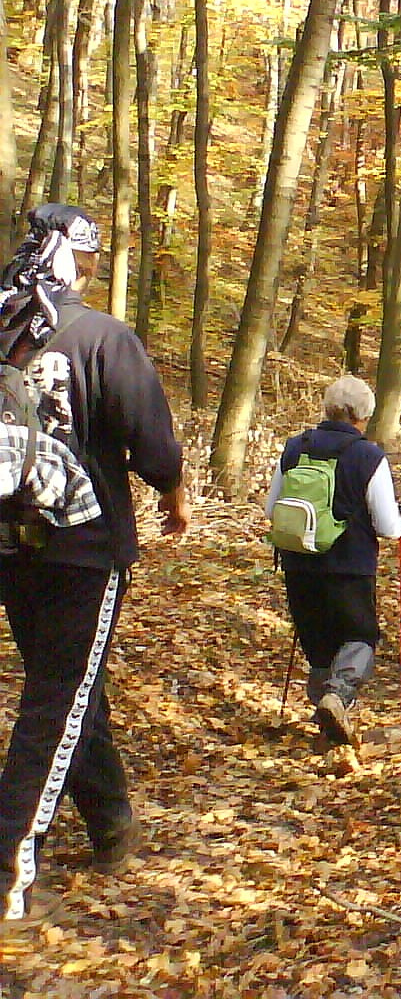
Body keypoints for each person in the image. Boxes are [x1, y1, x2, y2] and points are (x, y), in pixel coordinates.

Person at [0, 204, 189, 926]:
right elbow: (156, 451)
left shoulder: (6, 334)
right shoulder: (103, 336)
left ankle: (111, 825)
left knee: (71, 689)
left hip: (13, 547)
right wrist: (174, 496)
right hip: (83, 547)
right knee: (55, 703)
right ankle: (10, 866)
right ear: (79, 260)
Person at [266, 376, 401, 746]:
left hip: (298, 562)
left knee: (318, 645)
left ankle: (325, 727)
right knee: (360, 635)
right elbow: (390, 527)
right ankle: (338, 696)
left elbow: (271, 509)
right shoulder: (368, 456)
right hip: (350, 565)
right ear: (364, 415)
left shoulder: (295, 448)